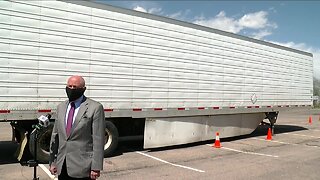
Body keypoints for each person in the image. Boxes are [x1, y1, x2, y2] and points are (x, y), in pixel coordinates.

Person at [49, 75, 105, 179]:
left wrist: (96, 167)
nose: (71, 89)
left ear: (83, 89)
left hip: (83, 167)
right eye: (69, 86)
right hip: (62, 166)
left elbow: (98, 140)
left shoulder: (95, 108)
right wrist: (52, 161)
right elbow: (55, 135)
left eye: (75, 87)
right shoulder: (61, 107)